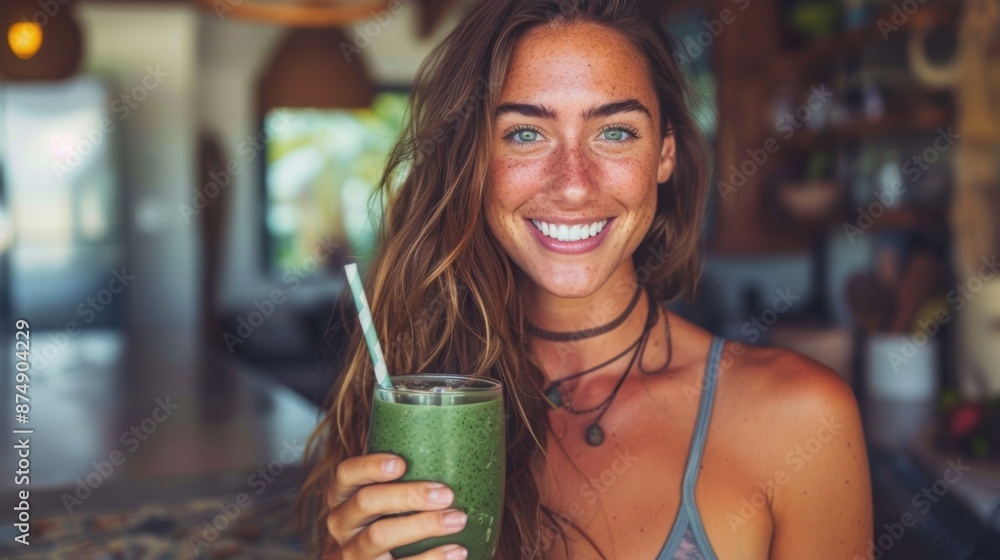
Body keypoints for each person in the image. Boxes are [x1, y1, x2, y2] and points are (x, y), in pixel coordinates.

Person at [299, 0, 873, 558]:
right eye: (525, 133)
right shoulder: (413, 410)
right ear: (475, 158)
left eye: (615, 132)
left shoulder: (801, 420)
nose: (573, 184)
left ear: (664, 154)